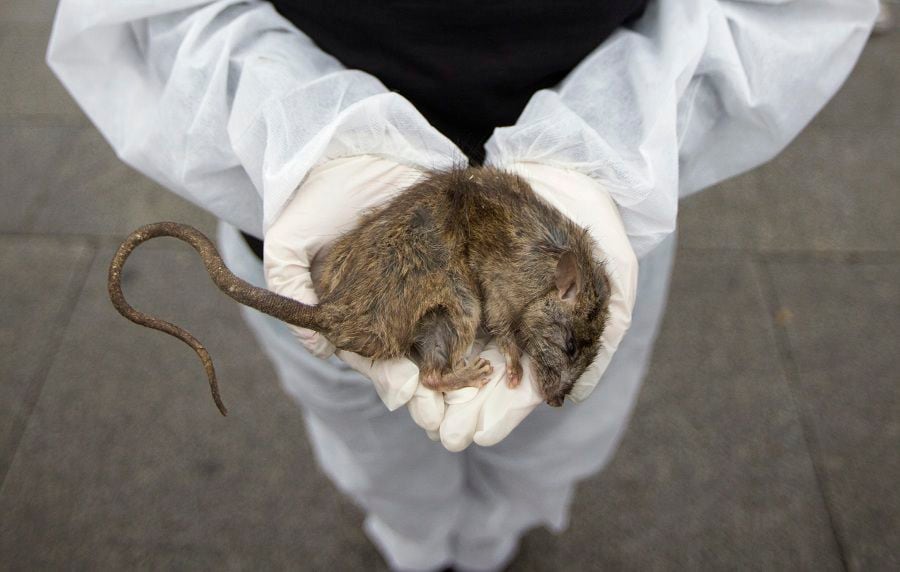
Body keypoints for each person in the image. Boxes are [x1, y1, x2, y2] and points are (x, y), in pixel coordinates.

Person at [48, 1, 877, 570]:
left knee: (549, 438)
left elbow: (793, 19)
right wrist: (296, 136)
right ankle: (416, 542)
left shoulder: (566, 269)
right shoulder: (527, 286)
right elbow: (135, 18)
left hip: (611, 195)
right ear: (559, 282)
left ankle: (486, 544)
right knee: (375, 439)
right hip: (315, 219)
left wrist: (616, 157)